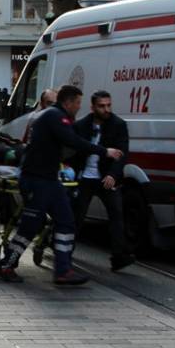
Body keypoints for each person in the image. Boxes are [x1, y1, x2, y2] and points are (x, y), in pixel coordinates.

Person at [0, 85, 123, 286]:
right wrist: (103, 151)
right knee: (31, 226)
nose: (79, 108)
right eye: (78, 103)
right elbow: (72, 141)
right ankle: (7, 264)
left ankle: (63, 270)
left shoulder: (52, 115)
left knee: (66, 221)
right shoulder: (55, 116)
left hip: (48, 179)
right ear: (69, 102)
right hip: (38, 179)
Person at [70, 90, 134, 272]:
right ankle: (65, 249)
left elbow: (122, 153)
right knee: (77, 216)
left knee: (116, 214)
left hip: (106, 177)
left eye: (108, 105)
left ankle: (119, 256)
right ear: (93, 107)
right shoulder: (81, 125)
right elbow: (74, 151)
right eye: (101, 106)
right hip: (85, 178)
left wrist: (113, 175)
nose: (106, 109)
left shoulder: (118, 125)